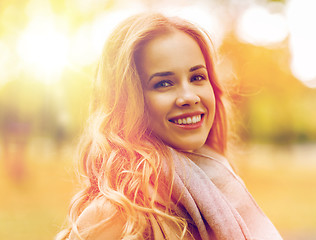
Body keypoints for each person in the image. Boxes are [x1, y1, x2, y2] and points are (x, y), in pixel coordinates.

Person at [56, 12, 283, 240]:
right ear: (128, 101)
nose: (189, 96)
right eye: (164, 83)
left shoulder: (220, 184)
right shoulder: (114, 216)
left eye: (197, 77)